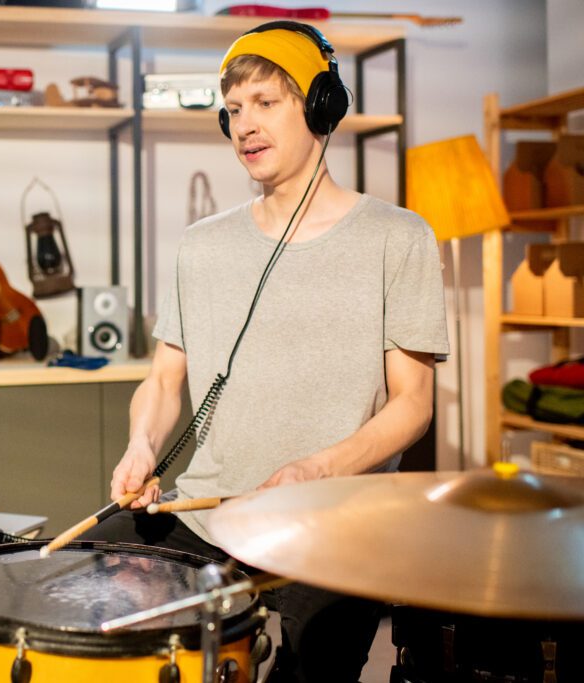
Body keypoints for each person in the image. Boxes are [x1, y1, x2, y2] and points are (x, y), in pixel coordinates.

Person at [82, 21, 450, 682]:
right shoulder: (201, 245)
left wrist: (316, 468)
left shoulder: (399, 237)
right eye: (233, 110)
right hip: (208, 515)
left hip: (333, 523)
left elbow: (413, 406)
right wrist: (141, 444)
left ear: (319, 106)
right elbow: (165, 380)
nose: (245, 124)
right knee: (78, 595)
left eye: (266, 102)